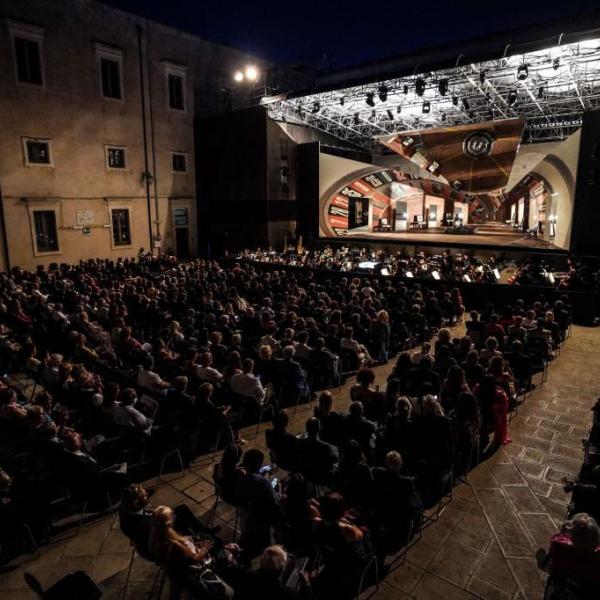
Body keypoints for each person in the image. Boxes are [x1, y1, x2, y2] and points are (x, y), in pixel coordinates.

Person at [233, 449, 284, 559]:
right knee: (276, 481)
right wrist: (279, 489)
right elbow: (276, 502)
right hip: (263, 516)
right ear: (258, 465)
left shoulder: (238, 480)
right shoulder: (264, 483)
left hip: (246, 513)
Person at [537, 513, 600, 599]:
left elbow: (556, 540)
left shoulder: (561, 548)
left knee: (545, 561)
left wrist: (563, 533)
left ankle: (542, 561)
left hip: (559, 588)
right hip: (583, 591)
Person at [298, 417, 339, 486]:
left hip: (307, 473)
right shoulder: (327, 447)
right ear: (319, 429)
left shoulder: (300, 443)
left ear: (306, 429)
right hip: (322, 476)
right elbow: (334, 460)